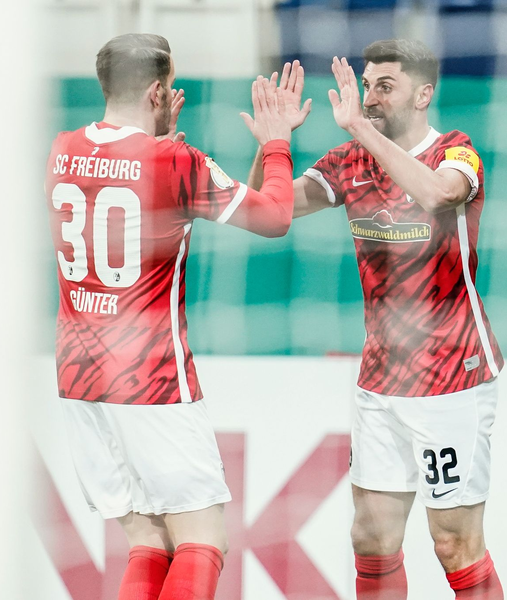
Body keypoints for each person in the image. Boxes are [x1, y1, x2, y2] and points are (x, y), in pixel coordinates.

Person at [248, 41, 504, 599]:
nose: (369, 97)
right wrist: (274, 142)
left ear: (424, 94)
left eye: (384, 86)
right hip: (381, 378)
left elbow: (439, 196)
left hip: (451, 377)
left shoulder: (457, 153)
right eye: (367, 86)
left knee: (453, 543)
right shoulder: (349, 163)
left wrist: (360, 129)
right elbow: (269, 214)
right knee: (370, 537)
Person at [45, 33, 295, 600]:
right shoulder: (174, 160)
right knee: (204, 539)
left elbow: (122, 186)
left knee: (150, 542)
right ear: (159, 91)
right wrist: (276, 143)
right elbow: (276, 215)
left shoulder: (62, 150)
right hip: (150, 377)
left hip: (80, 379)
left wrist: (156, 139)